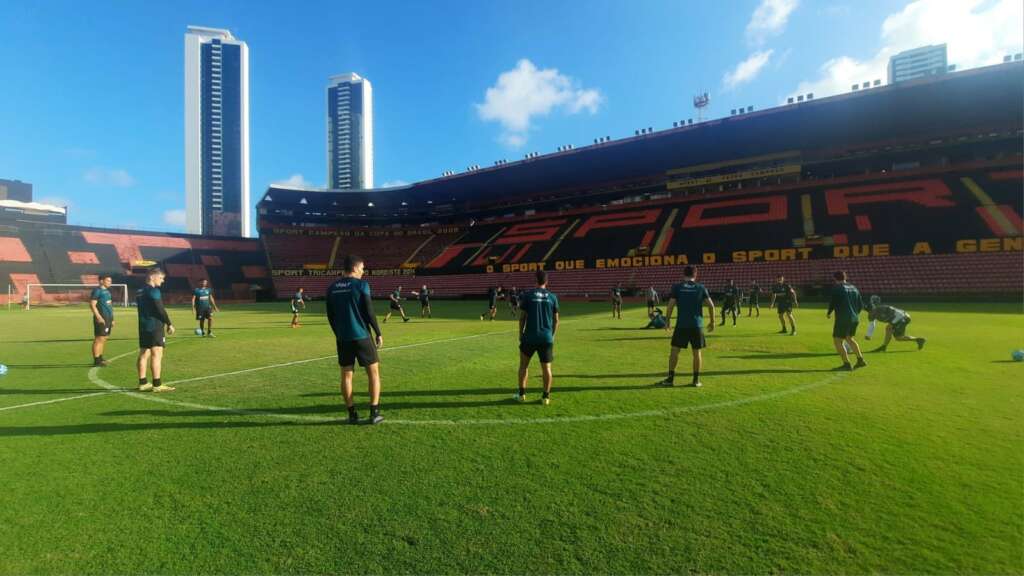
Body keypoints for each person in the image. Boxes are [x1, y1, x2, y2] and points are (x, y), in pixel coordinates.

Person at [325, 255, 384, 425]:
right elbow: (369, 311)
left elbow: (330, 316)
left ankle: (352, 414)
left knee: (346, 375)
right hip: (362, 336)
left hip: (343, 338)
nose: (363, 271)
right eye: (363, 268)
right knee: (373, 373)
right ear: (356, 268)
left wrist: (338, 333)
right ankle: (374, 413)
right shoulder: (361, 285)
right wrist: (378, 332)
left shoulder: (332, 288)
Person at [657, 265, 715, 387]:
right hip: (697, 325)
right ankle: (696, 380)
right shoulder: (701, 287)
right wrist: (712, 322)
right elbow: (711, 306)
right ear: (695, 274)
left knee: (674, 351)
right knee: (697, 352)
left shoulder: (677, 287)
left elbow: (670, 305)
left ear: (683, 274)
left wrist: (667, 321)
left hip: (682, 325)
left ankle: (670, 379)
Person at [517, 270, 559, 405]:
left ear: (535, 280)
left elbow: (522, 317)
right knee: (546, 369)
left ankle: (522, 395)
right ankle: (545, 397)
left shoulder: (528, 295)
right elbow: (556, 320)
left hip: (529, 337)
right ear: (546, 281)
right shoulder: (553, 297)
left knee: (523, 366)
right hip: (546, 338)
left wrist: (520, 334)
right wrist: (551, 335)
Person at [136, 268, 176, 392]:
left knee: (143, 353)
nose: (163, 281)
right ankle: (157, 384)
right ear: (153, 276)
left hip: (143, 326)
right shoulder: (154, 291)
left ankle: (143, 383)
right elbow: (160, 309)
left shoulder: (139, 291)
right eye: (161, 278)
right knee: (157, 354)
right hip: (154, 326)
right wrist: (169, 323)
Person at [826, 271, 867, 371]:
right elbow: (861, 305)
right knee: (849, 338)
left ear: (835, 278)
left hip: (843, 318)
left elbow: (833, 302)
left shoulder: (837, 288)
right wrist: (854, 314)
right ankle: (860, 360)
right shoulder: (854, 287)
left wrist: (829, 312)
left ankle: (846, 364)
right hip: (854, 318)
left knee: (837, 340)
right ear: (845, 277)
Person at [89, 275, 115, 367]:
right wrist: (98, 317)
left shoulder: (107, 291)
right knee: (99, 338)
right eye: (108, 280)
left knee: (104, 338)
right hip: (101, 317)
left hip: (108, 318)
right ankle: (96, 360)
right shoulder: (97, 291)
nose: (110, 282)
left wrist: (112, 319)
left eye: (110, 281)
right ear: (101, 281)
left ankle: (100, 358)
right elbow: (92, 305)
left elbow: (110, 306)